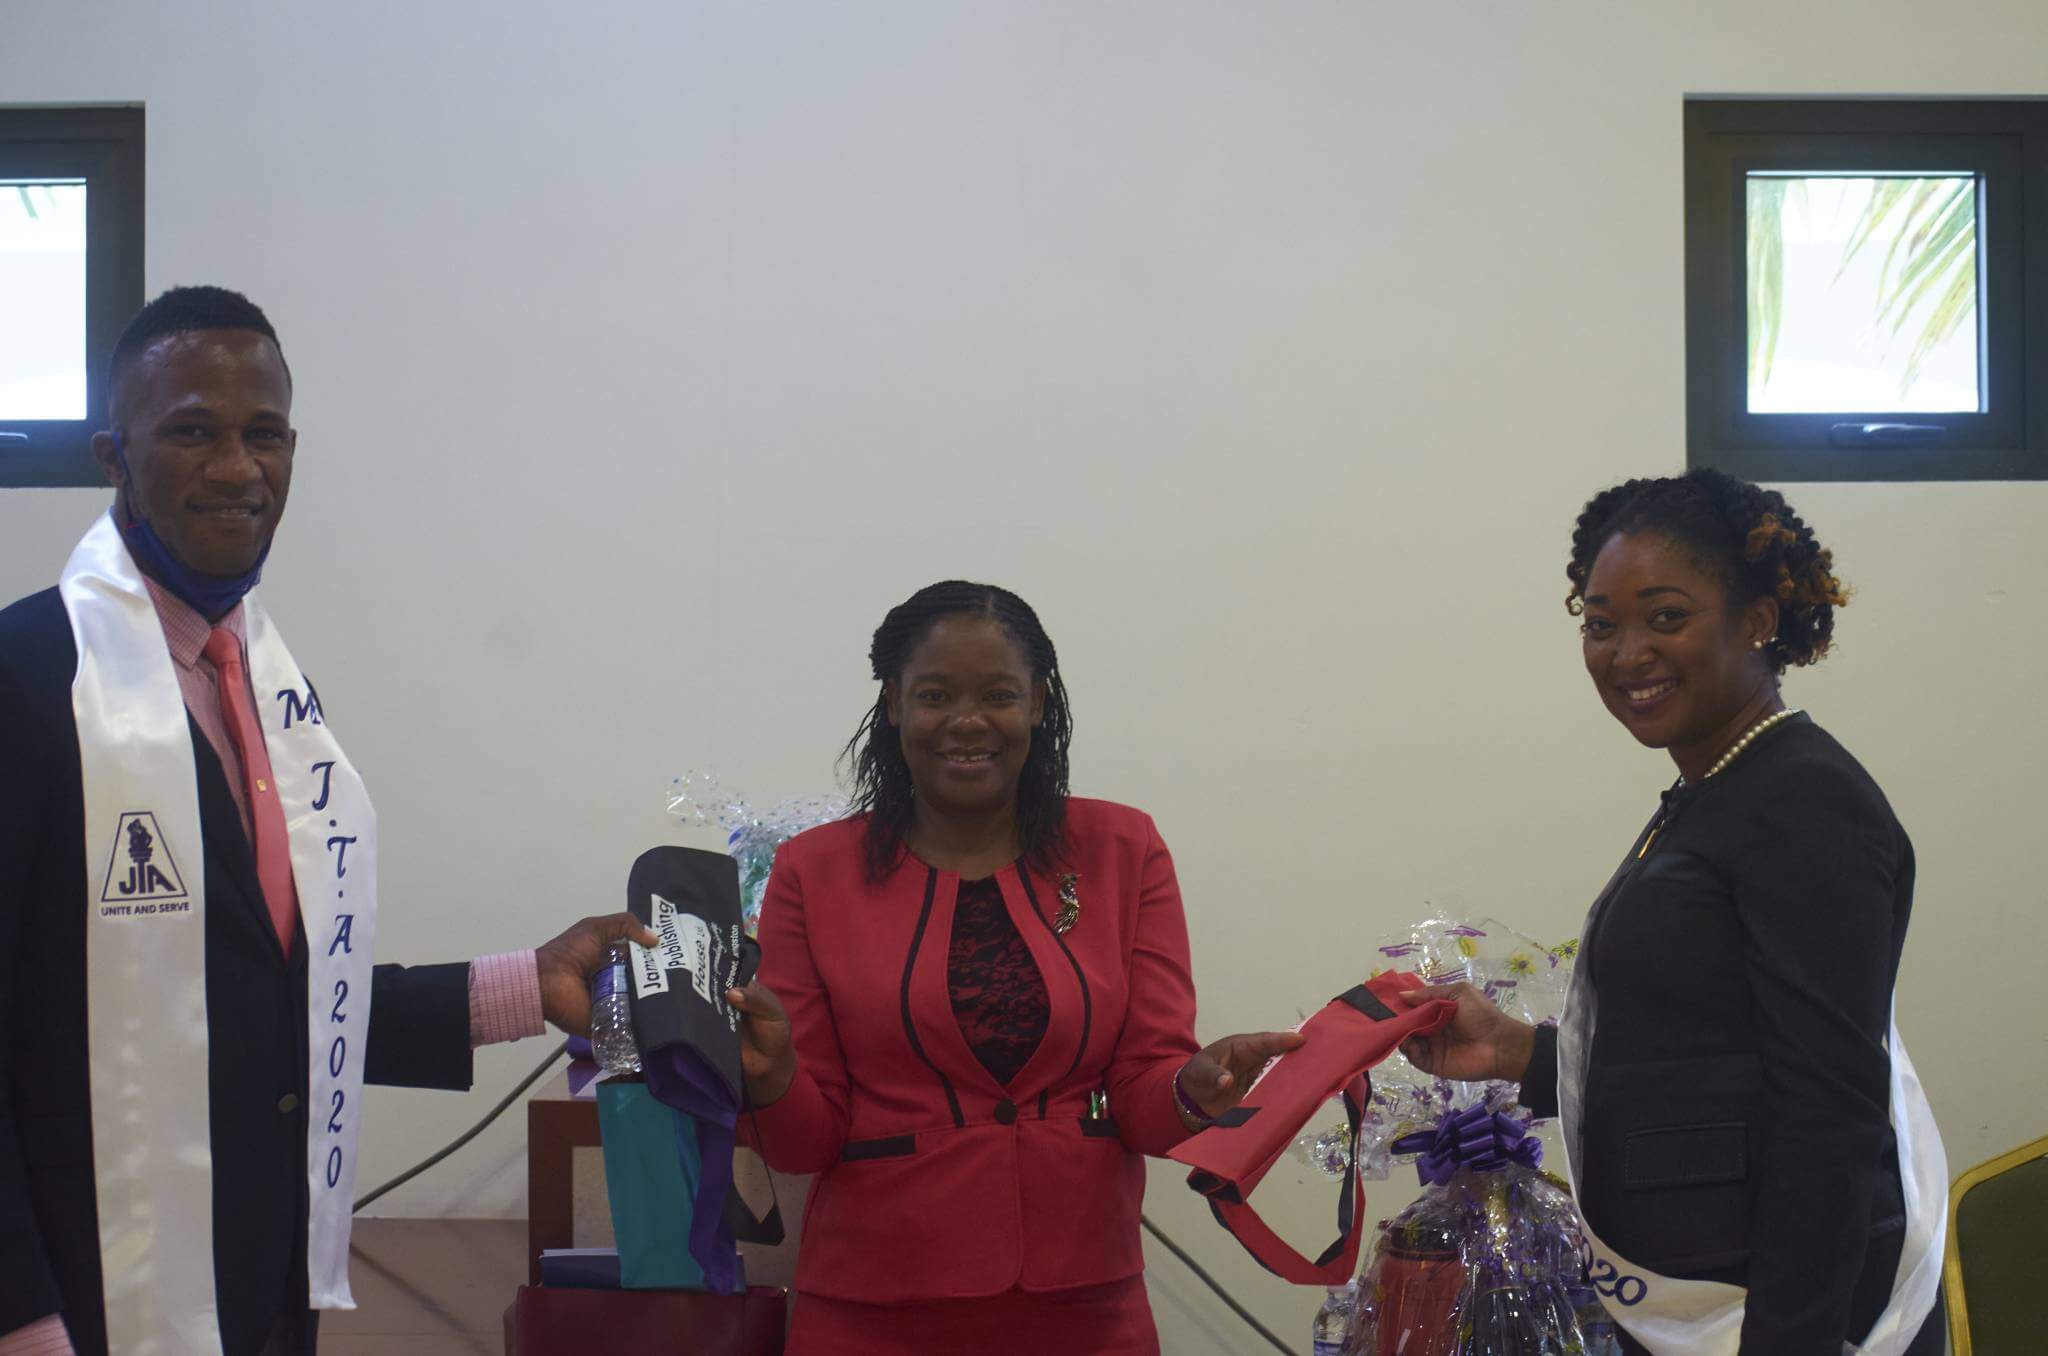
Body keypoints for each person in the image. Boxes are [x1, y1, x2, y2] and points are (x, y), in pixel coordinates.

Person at [0, 287, 656, 1356]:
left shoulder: (273, 697)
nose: (237, 468)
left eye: (263, 434)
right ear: (113, 456)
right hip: (87, 1302)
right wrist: (20, 1322)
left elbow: (270, 1005)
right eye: (192, 433)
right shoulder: (26, 679)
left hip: (265, 1295)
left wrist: (527, 987)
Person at [1399, 469, 1944, 1355]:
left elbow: (1826, 1111)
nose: (1627, 654)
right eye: (1600, 625)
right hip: (1708, 1292)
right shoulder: (1719, 790)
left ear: (1757, 621)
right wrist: (1517, 1052)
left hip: (1784, 1315)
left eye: (1666, 617)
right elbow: (1703, 1056)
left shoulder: (1803, 800)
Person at [722, 581, 1302, 1354]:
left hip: (1085, 1306)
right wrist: (769, 1077)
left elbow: (1144, 1104)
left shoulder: (1123, 850)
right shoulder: (813, 871)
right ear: (893, 704)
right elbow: (804, 1144)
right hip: (874, 1306)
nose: (967, 721)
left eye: (997, 695)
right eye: (935, 695)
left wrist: (1192, 1090)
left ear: (1037, 703)